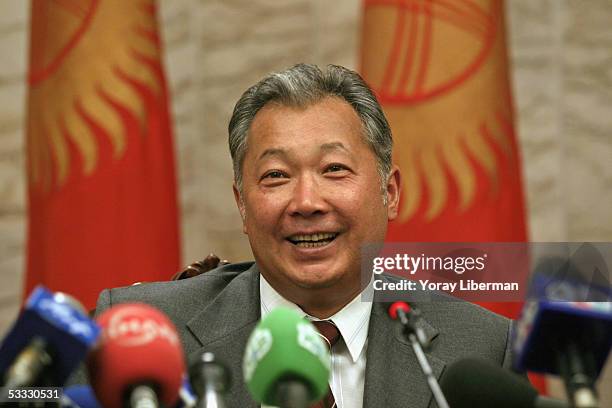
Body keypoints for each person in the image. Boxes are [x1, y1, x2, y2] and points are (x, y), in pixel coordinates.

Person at [93, 64, 514, 407]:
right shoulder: (138, 338)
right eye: (276, 176)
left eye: (334, 169)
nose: (306, 201)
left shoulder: (481, 348)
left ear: (390, 193)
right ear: (242, 204)